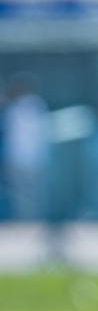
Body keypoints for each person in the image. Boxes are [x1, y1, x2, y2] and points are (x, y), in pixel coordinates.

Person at [2, 72, 50, 222]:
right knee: (31, 192)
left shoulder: (15, 109)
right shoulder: (37, 106)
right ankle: (30, 219)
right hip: (32, 157)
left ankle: (26, 219)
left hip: (19, 157)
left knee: (22, 192)